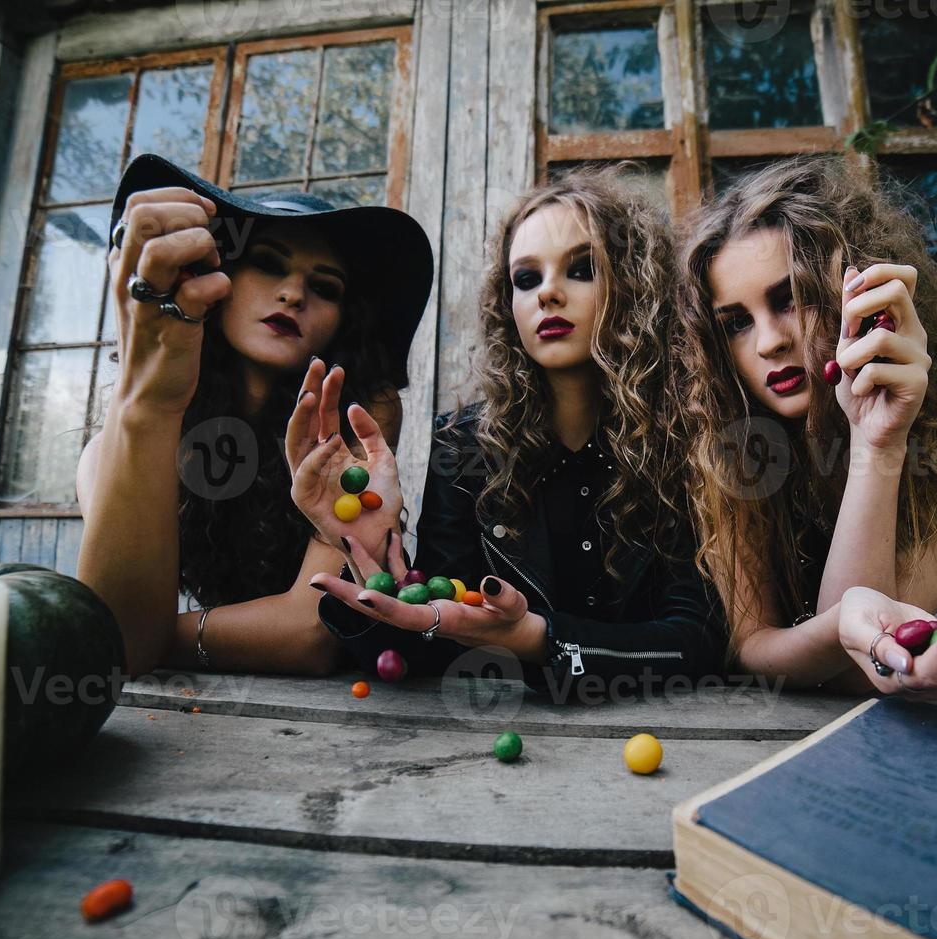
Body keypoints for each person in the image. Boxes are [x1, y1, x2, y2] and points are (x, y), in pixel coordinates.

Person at [290, 167, 726, 695]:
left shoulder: (685, 435)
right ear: (507, 304)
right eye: (527, 278)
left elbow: (698, 640)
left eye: (582, 269)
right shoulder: (464, 445)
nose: (548, 295)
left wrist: (540, 640)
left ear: (636, 285)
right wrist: (375, 556)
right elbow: (429, 643)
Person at [672, 156, 937, 697]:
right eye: (737, 323)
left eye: (789, 299)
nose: (769, 342)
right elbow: (755, 650)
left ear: (861, 297)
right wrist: (842, 625)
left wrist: (877, 440)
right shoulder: (726, 446)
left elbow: (858, 670)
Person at [75, 154, 433, 677]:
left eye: (326, 286)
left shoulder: (359, 412)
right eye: (268, 262)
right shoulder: (119, 443)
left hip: (355, 699)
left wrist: (147, 637)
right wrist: (146, 398)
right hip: (200, 715)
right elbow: (114, 644)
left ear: (342, 323)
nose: (293, 292)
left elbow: (308, 634)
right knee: (97, 457)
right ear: (218, 277)